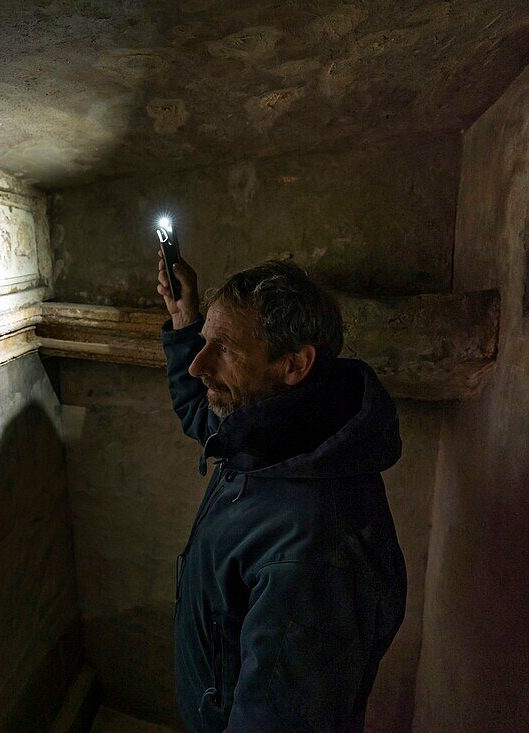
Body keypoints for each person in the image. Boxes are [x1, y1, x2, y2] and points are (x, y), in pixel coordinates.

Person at [156, 252, 407, 733]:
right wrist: (185, 318)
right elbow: (203, 413)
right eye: (205, 344)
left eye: (223, 348)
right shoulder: (276, 429)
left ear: (294, 364)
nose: (198, 366)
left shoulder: (313, 550)